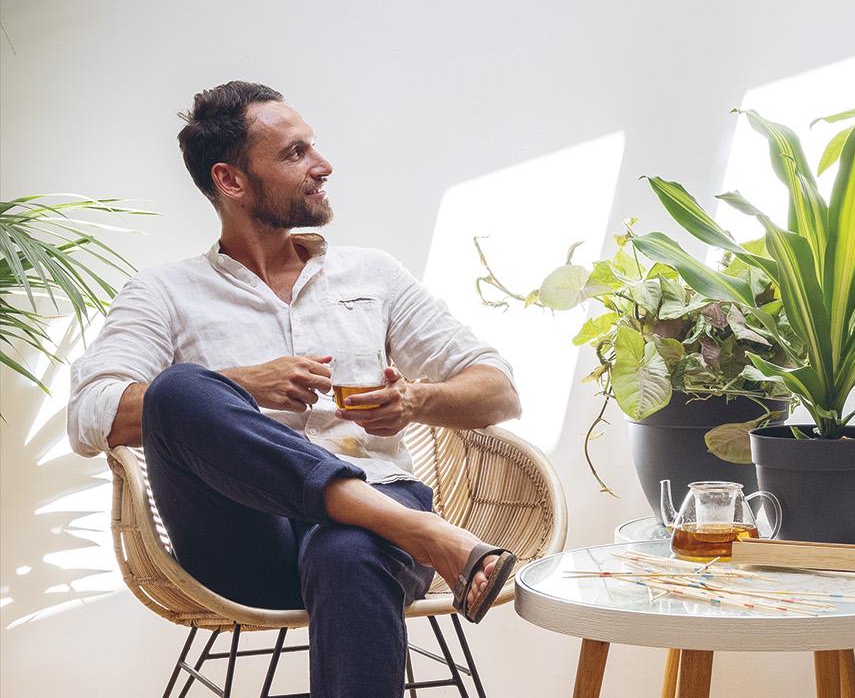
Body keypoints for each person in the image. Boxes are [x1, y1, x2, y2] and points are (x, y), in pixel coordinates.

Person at [69, 80, 523, 697]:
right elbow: (90, 413)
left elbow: (498, 391)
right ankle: (429, 535)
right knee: (177, 391)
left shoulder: (372, 274)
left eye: (313, 146)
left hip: (371, 539)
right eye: (295, 153)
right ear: (230, 180)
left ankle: (391, 525)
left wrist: (414, 400)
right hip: (246, 542)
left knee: (348, 551)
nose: (323, 165)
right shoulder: (164, 292)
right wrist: (241, 385)